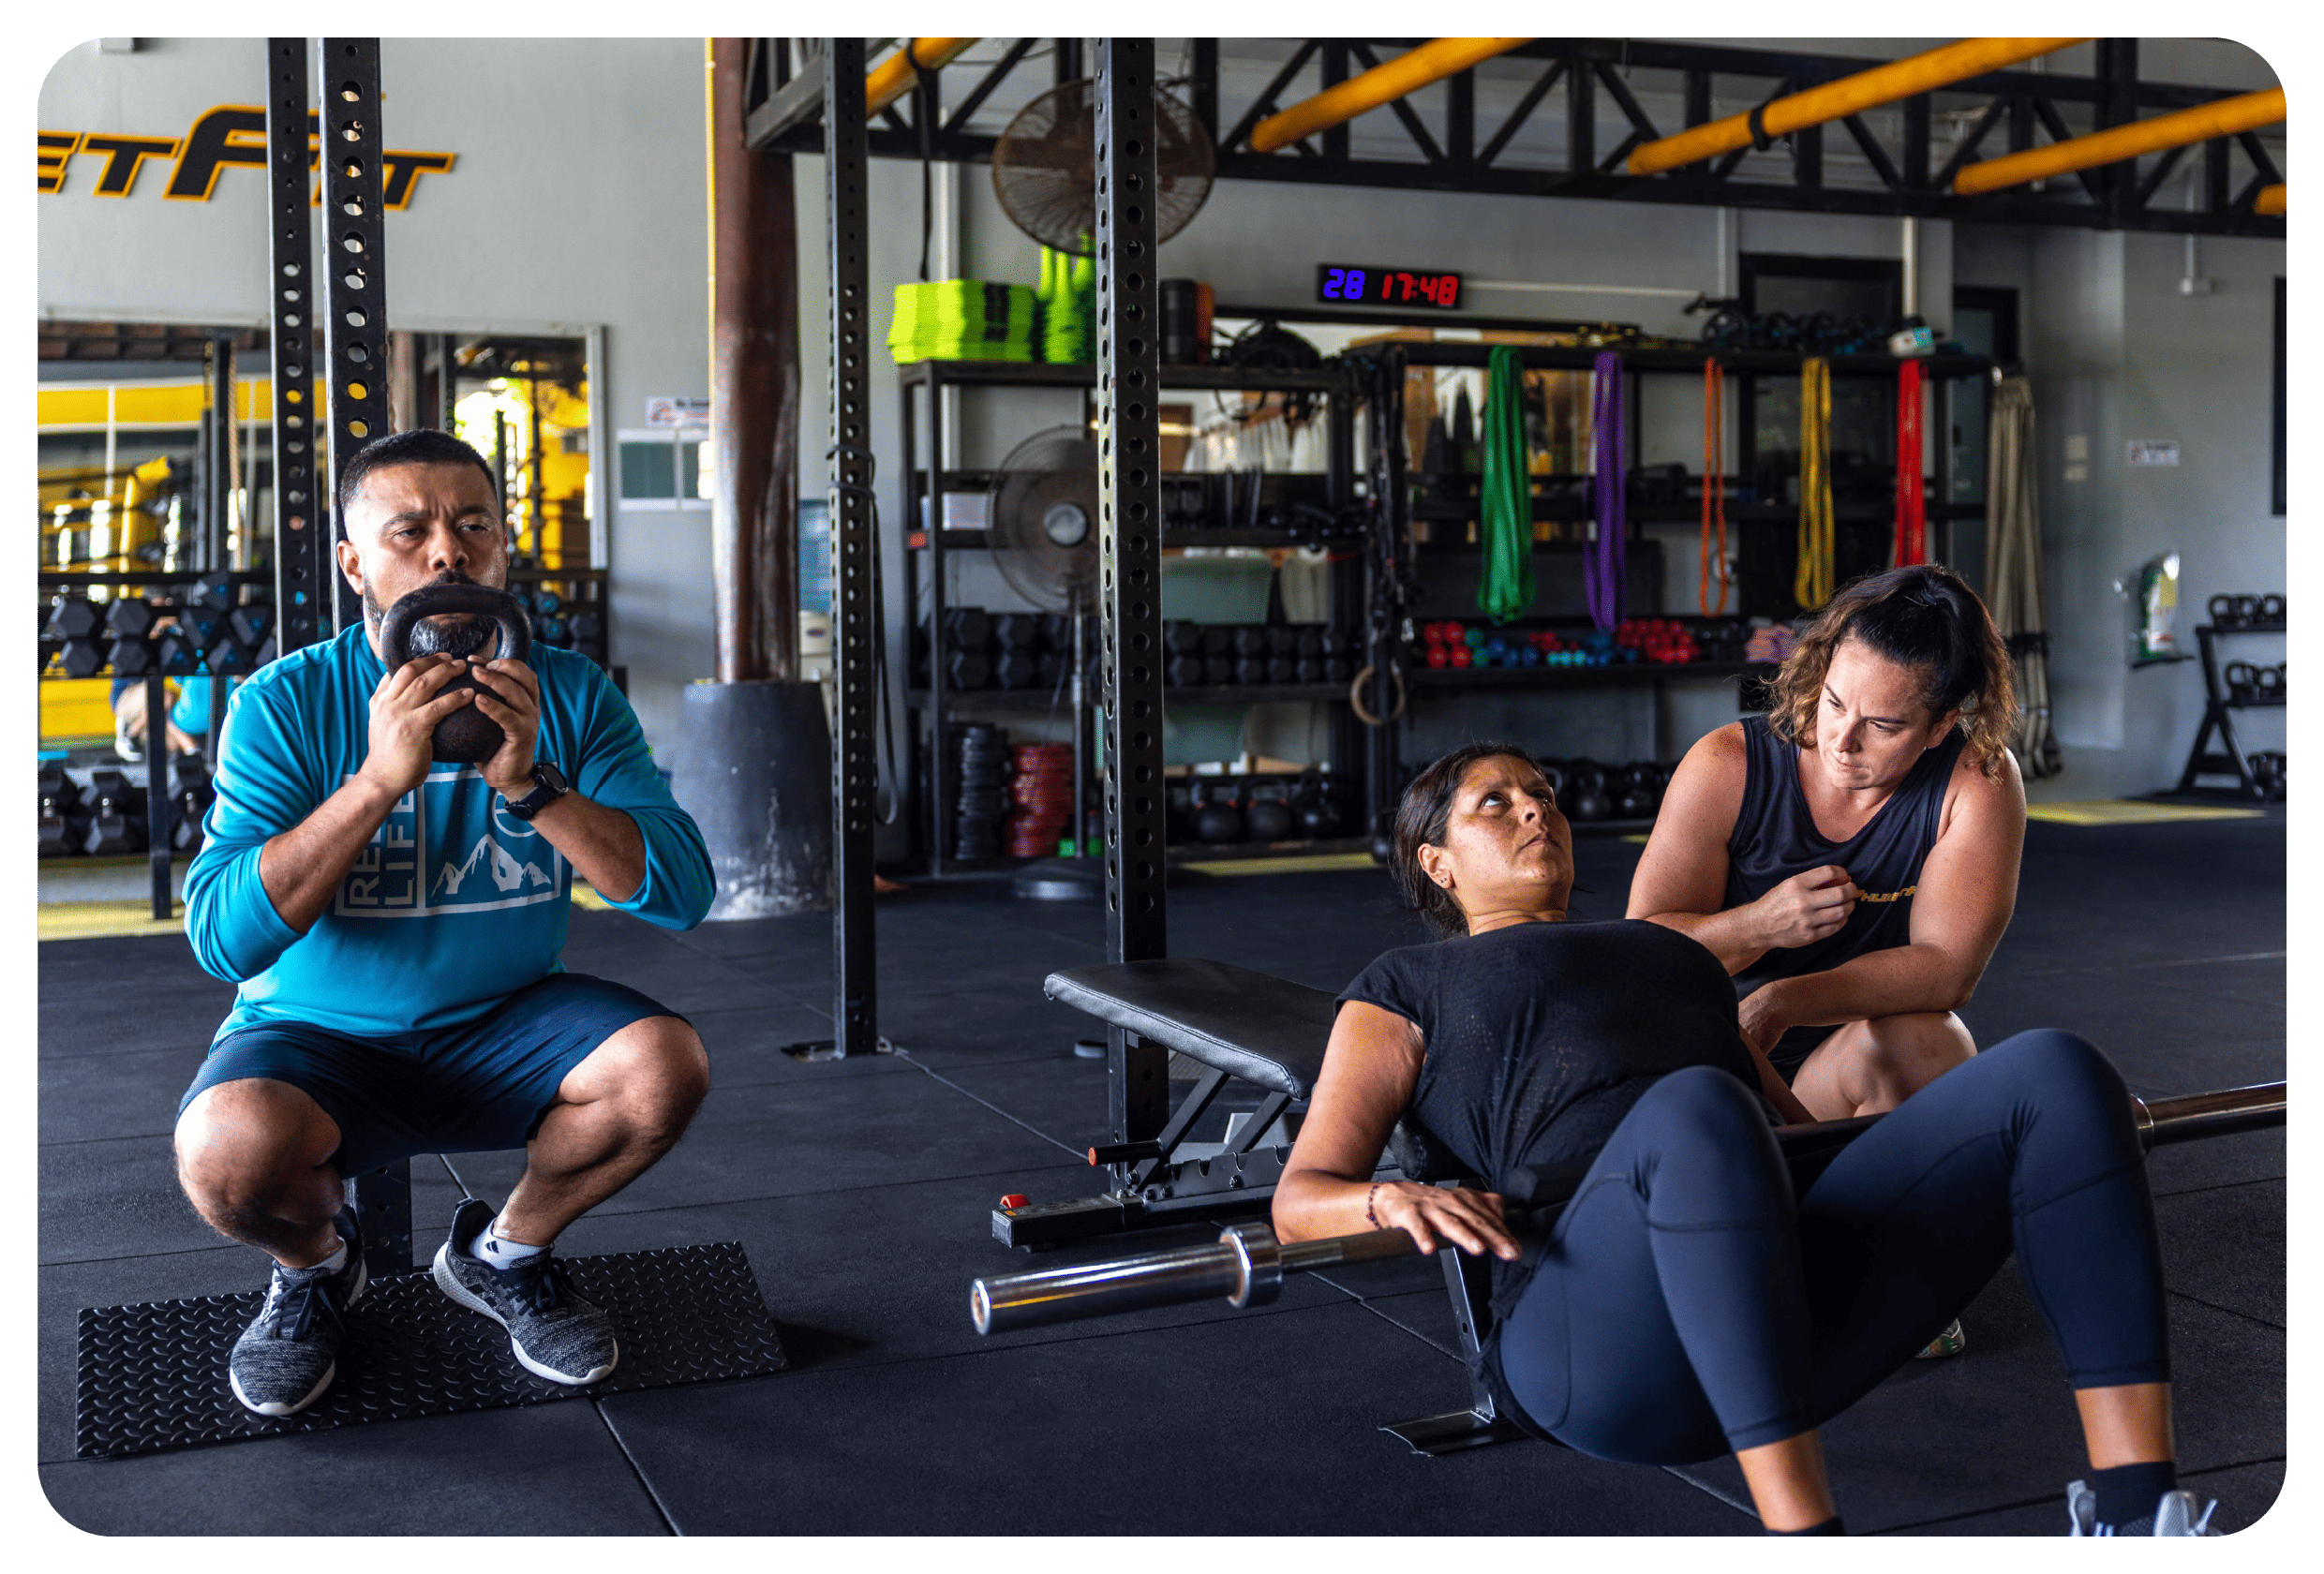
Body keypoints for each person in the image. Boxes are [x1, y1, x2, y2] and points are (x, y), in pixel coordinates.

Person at [1274, 745, 2216, 1536]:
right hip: (1592, 1345)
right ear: (1436, 863)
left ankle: (2136, 1516)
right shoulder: (1403, 986)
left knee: (2053, 1071)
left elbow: (1801, 1141)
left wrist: (1963, 1162)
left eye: (1543, 794)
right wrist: (1384, 1198)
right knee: (1696, 1111)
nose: (1535, 811)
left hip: (1781, 1304)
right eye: (1495, 803)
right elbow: (1299, 1200)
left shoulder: (1670, 956)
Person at [175, 428, 716, 1418]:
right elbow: (220, 938)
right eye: (410, 531)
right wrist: (377, 783)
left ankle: (504, 1255)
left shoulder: (571, 693)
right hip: (316, 1036)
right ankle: (315, 1269)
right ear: (354, 564)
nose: (447, 555)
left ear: (502, 545)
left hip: (507, 1020)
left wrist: (532, 784)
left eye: (473, 527)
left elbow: (680, 891)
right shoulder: (284, 703)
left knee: (661, 1066)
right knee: (224, 1149)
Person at [1627, 564, 2027, 1124]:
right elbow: (1641, 955)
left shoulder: (1976, 779)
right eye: (1835, 703)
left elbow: (1946, 969)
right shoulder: (1725, 766)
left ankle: (1844, 1170)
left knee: (1932, 1044)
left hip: (1834, 1066)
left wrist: (1784, 1001)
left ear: (1940, 725)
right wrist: (1761, 924)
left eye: (1882, 726)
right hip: (1711, 1063)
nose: (1842, 741)